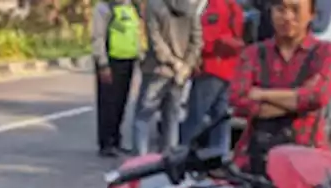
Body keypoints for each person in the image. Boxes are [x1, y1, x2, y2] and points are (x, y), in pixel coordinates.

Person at [228, 0, 331, 174]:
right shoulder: (253, 54)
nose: (287, 17)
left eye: (295, 10)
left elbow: (317, 97)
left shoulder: (325, 52)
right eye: (280, 9)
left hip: (309, 158)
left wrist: (261, 94)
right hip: (255, 158)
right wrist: (299, 100)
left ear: (312, 14)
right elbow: (238, 100)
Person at [131, 0, 203, 155]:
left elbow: (155, 41)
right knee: (171, 119)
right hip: (180, 74)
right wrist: (186, 66)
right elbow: (197, 41)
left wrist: (173, 62)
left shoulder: (154, 5)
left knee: (143, 117)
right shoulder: (190, 8)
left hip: (158, 69)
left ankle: (140, 162)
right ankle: (169, 162)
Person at [180, 0, 244, 153]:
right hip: (229, 68)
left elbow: (208, 38)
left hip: (212, 67)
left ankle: (183, 154)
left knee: (195, 116)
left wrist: (194, 54)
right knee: (220, 119)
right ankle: (219, 156)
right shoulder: (233, 6)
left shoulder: (216, 6)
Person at [92, 0, 141, 157]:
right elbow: (98, 37)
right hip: (110, 61)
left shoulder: (130, 6)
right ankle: (106, 142)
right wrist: (102, 63)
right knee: (108, 103)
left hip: (128, 60)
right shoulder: (103, 8)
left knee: (121, 101)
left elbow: (135, 33)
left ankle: (116, 139)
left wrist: (139, 55)